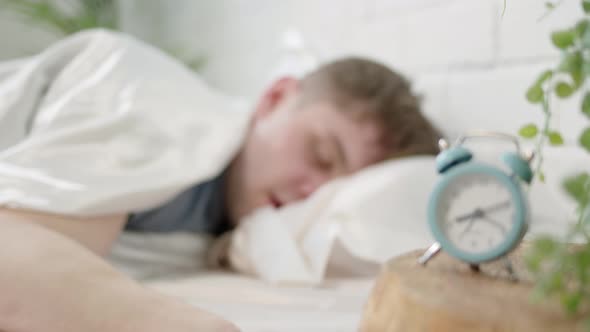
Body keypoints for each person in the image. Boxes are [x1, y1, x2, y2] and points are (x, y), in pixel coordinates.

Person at [0, 33, 441, 332]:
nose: (311, 191)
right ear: (275, 98)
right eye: (321, 154)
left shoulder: (218, 235)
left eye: (332, 192)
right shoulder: (144, 91)